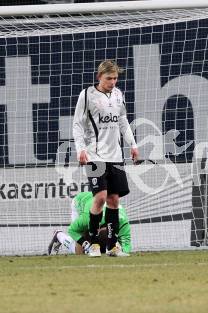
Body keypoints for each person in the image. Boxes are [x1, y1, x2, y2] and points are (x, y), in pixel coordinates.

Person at [72, 60, 139, 257]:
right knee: (100, 197)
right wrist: (80, 148)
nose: (113, 82)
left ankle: (112, 246)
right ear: (99, 76)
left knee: (114, 200)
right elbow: (77, 124)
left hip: (116, 156)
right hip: (94, 155)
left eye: (115, 78)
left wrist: (133, 145)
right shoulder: (87, 95)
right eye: (109, 78)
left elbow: (123, 121)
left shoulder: (118, 95)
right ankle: (93, 244)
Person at [48, 192, 131, 256]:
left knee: (98, 251)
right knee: (79, 252)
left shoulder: (122, 222)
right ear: (98, 229)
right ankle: (58, 235)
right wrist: (85, 244)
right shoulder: (87, 218)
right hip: (80, 202)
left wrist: (118, 250)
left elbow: (127, 247)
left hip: (97, 203)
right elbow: (72, 230)